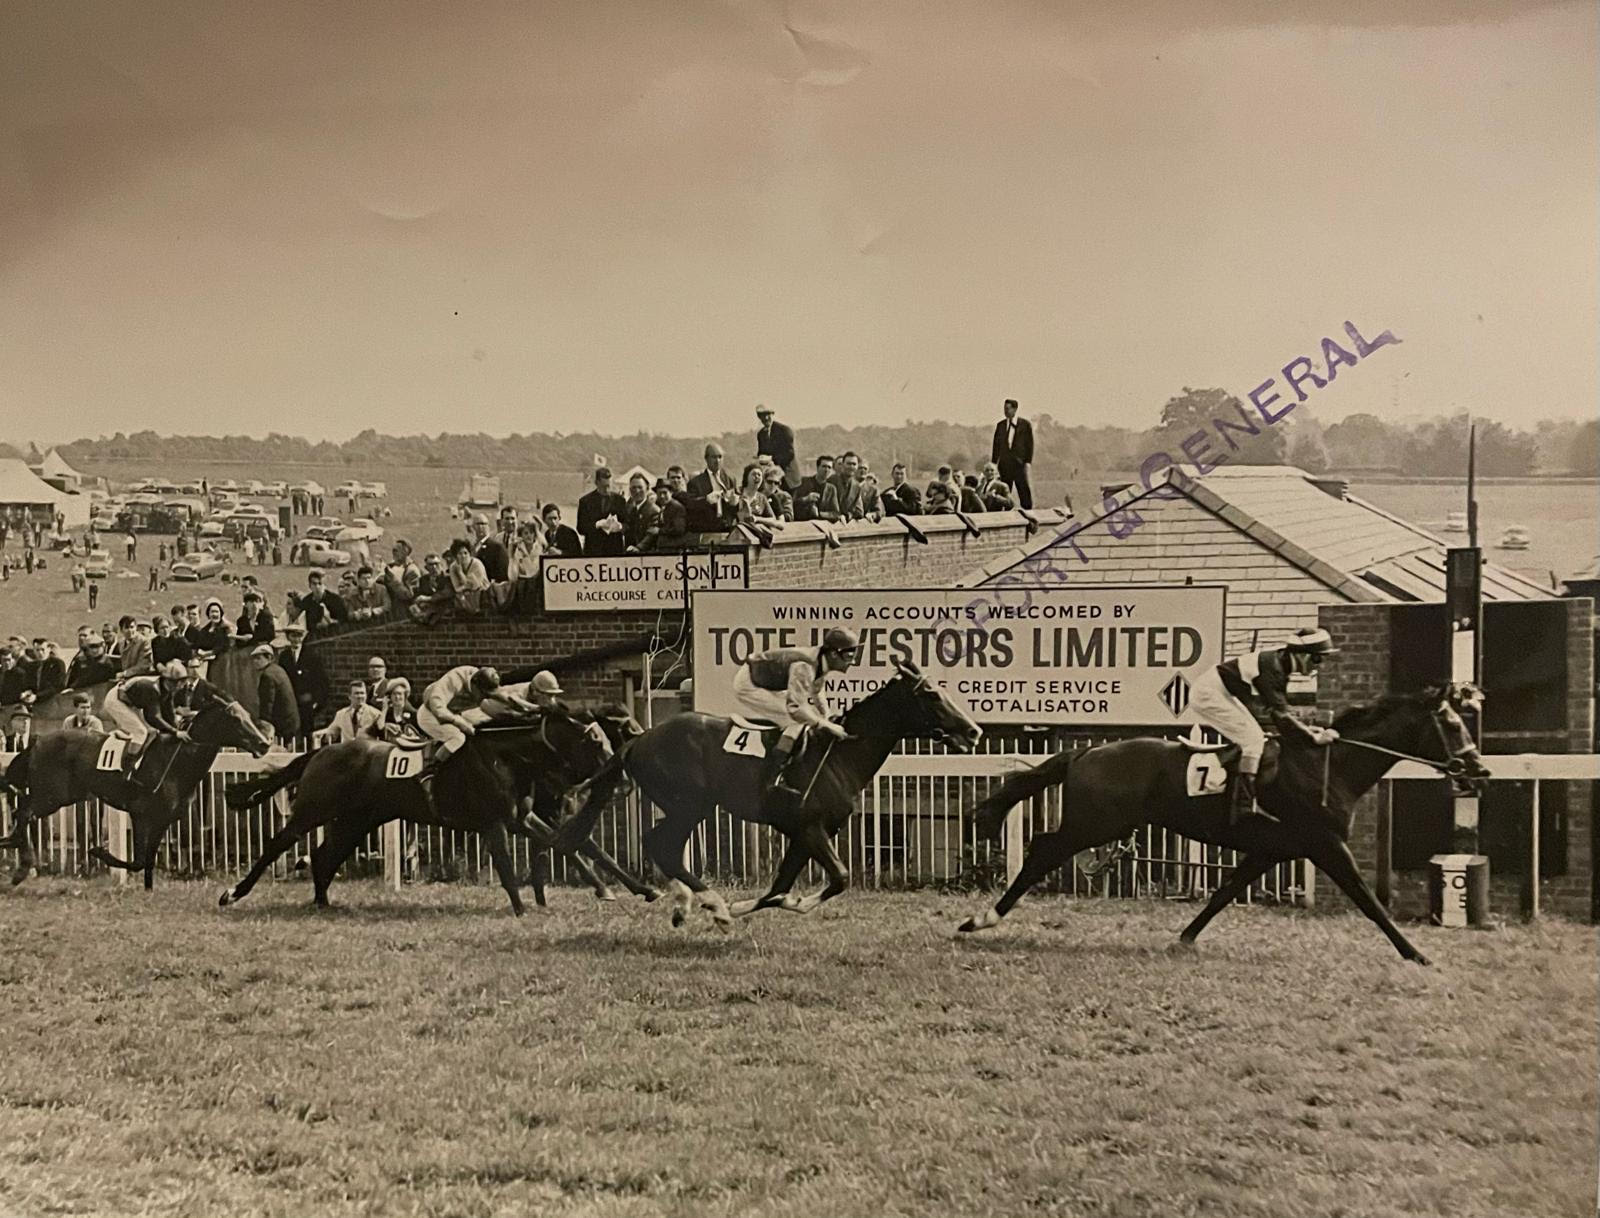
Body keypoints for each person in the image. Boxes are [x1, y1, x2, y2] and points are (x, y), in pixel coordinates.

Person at [1189, 627, 1342, 824]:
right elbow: (1281, 715)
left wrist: (1305, 729)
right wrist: (1313, 737)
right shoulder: (1274, 668)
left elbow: (1281, 711)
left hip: (1222, 691)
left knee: (1256, 736)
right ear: (1303, 656)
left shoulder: (1282, 663)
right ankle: (1243, 807)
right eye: (1317, 659)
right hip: (1207, 694)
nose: (1319, 667)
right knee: (1253, 741)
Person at [731, 627, 861, 812]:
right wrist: (826, 725)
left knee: (805, 718)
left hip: (764, 679)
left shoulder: (819, 662)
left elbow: (816, 691)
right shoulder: (805, 667)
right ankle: (772, 778)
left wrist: (827, 718)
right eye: (849, 655)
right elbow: (795, 708)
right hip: (749, 684)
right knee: (796, 720)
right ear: (833, 654)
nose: (853, 661)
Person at [415, 665, 537, 787]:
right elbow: (438, 710)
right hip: (430, 715)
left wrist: (534, 709)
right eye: (483, 693)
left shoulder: (482, 680)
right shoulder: (454, 681)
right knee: (458, 738)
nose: (485, 697)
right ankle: (430, 771)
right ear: (474, 685)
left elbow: (507, 697)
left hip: (454, 712)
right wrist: (460, 722)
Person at [100, 661, 191, 780]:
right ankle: (126, 768)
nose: (182, 685)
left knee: (151, 732)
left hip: (132, 702)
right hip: (116, 700)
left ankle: (140, 763)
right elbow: (153, 717)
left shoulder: (166, 689)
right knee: (141, 732)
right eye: (180, 682)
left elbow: (169, 714)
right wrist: (176, 732)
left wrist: (176, 728)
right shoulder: (151, 688)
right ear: (171, 681)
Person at [277, 623, 329, 732]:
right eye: (293, 636)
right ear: (288, 637)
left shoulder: (312, 656)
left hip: (306, 701)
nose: (296, 639)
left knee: (307, 730)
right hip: (290, 701)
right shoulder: (284, 657)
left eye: (299, 636)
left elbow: (321, 680)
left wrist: (317, 701)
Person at [250, 642, 300, 744]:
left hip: (282, 725)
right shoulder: (278, 670)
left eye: (258, 658)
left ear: (269, 658)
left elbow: (268, 703)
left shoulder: (267, 675)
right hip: (291, 723)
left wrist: (264, 727)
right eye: (254, 659)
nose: (255, 662)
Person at [991, 398, 1034, 510]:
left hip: (1019, 464)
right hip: (1004, 465)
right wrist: (994, 464)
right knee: (1004, 490)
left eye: (1008, 409)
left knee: (1023, 490)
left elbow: (1030, 445)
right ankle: (1004, 514)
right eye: (1004, 409)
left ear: (1015, 409)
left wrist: (1027, 462)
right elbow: (996, 446)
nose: (1005, 411)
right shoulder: (1000, 425)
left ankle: (1029, 514)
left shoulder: (1025, 425)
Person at [577, 467, 629, 556]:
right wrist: (596, 525)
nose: (607, 490)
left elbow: (627, 525)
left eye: (609, 486)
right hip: (593, 551)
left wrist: (620, 527)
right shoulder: (585, 502)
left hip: (615, 550)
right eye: (604, 487)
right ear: (596, 483)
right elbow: (580, 528)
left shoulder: (620, 500)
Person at [685, 444, 738, 531]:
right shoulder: (695, 482)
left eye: (720, 457)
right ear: (706, 459)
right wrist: (706, 500)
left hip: (726, 528)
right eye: (714, 457)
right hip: (705, 528)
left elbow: (735, 507)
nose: (717, 461)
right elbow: (690, 505)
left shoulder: (730, 479)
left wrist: (735, 503)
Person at [754, 405, 799, 488]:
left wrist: (772, 459)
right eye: (762, 416)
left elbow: (790, 454)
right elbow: (762, 453)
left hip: (788, 478)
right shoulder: (761, 434)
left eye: (768, 415)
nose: (766, 418)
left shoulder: (784, 430)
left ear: (772, 414)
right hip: (770, 478)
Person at [793, 455, 842, 523]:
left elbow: (836, 514)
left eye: (829, 467)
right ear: (818, 467)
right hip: (802, 524)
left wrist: (819, 513)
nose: (826, 470)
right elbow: (793, 504)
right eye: (824, 466)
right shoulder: (804, 482)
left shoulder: (831, 489)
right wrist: (806, 499)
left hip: (821, 526)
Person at [468, 512, 509, 583]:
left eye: (483, 524)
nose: (481, 527)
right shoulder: (472, 547)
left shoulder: (497, 547)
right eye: (478, 524)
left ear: (488, 526)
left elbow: (503, 573)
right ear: (473, 527)